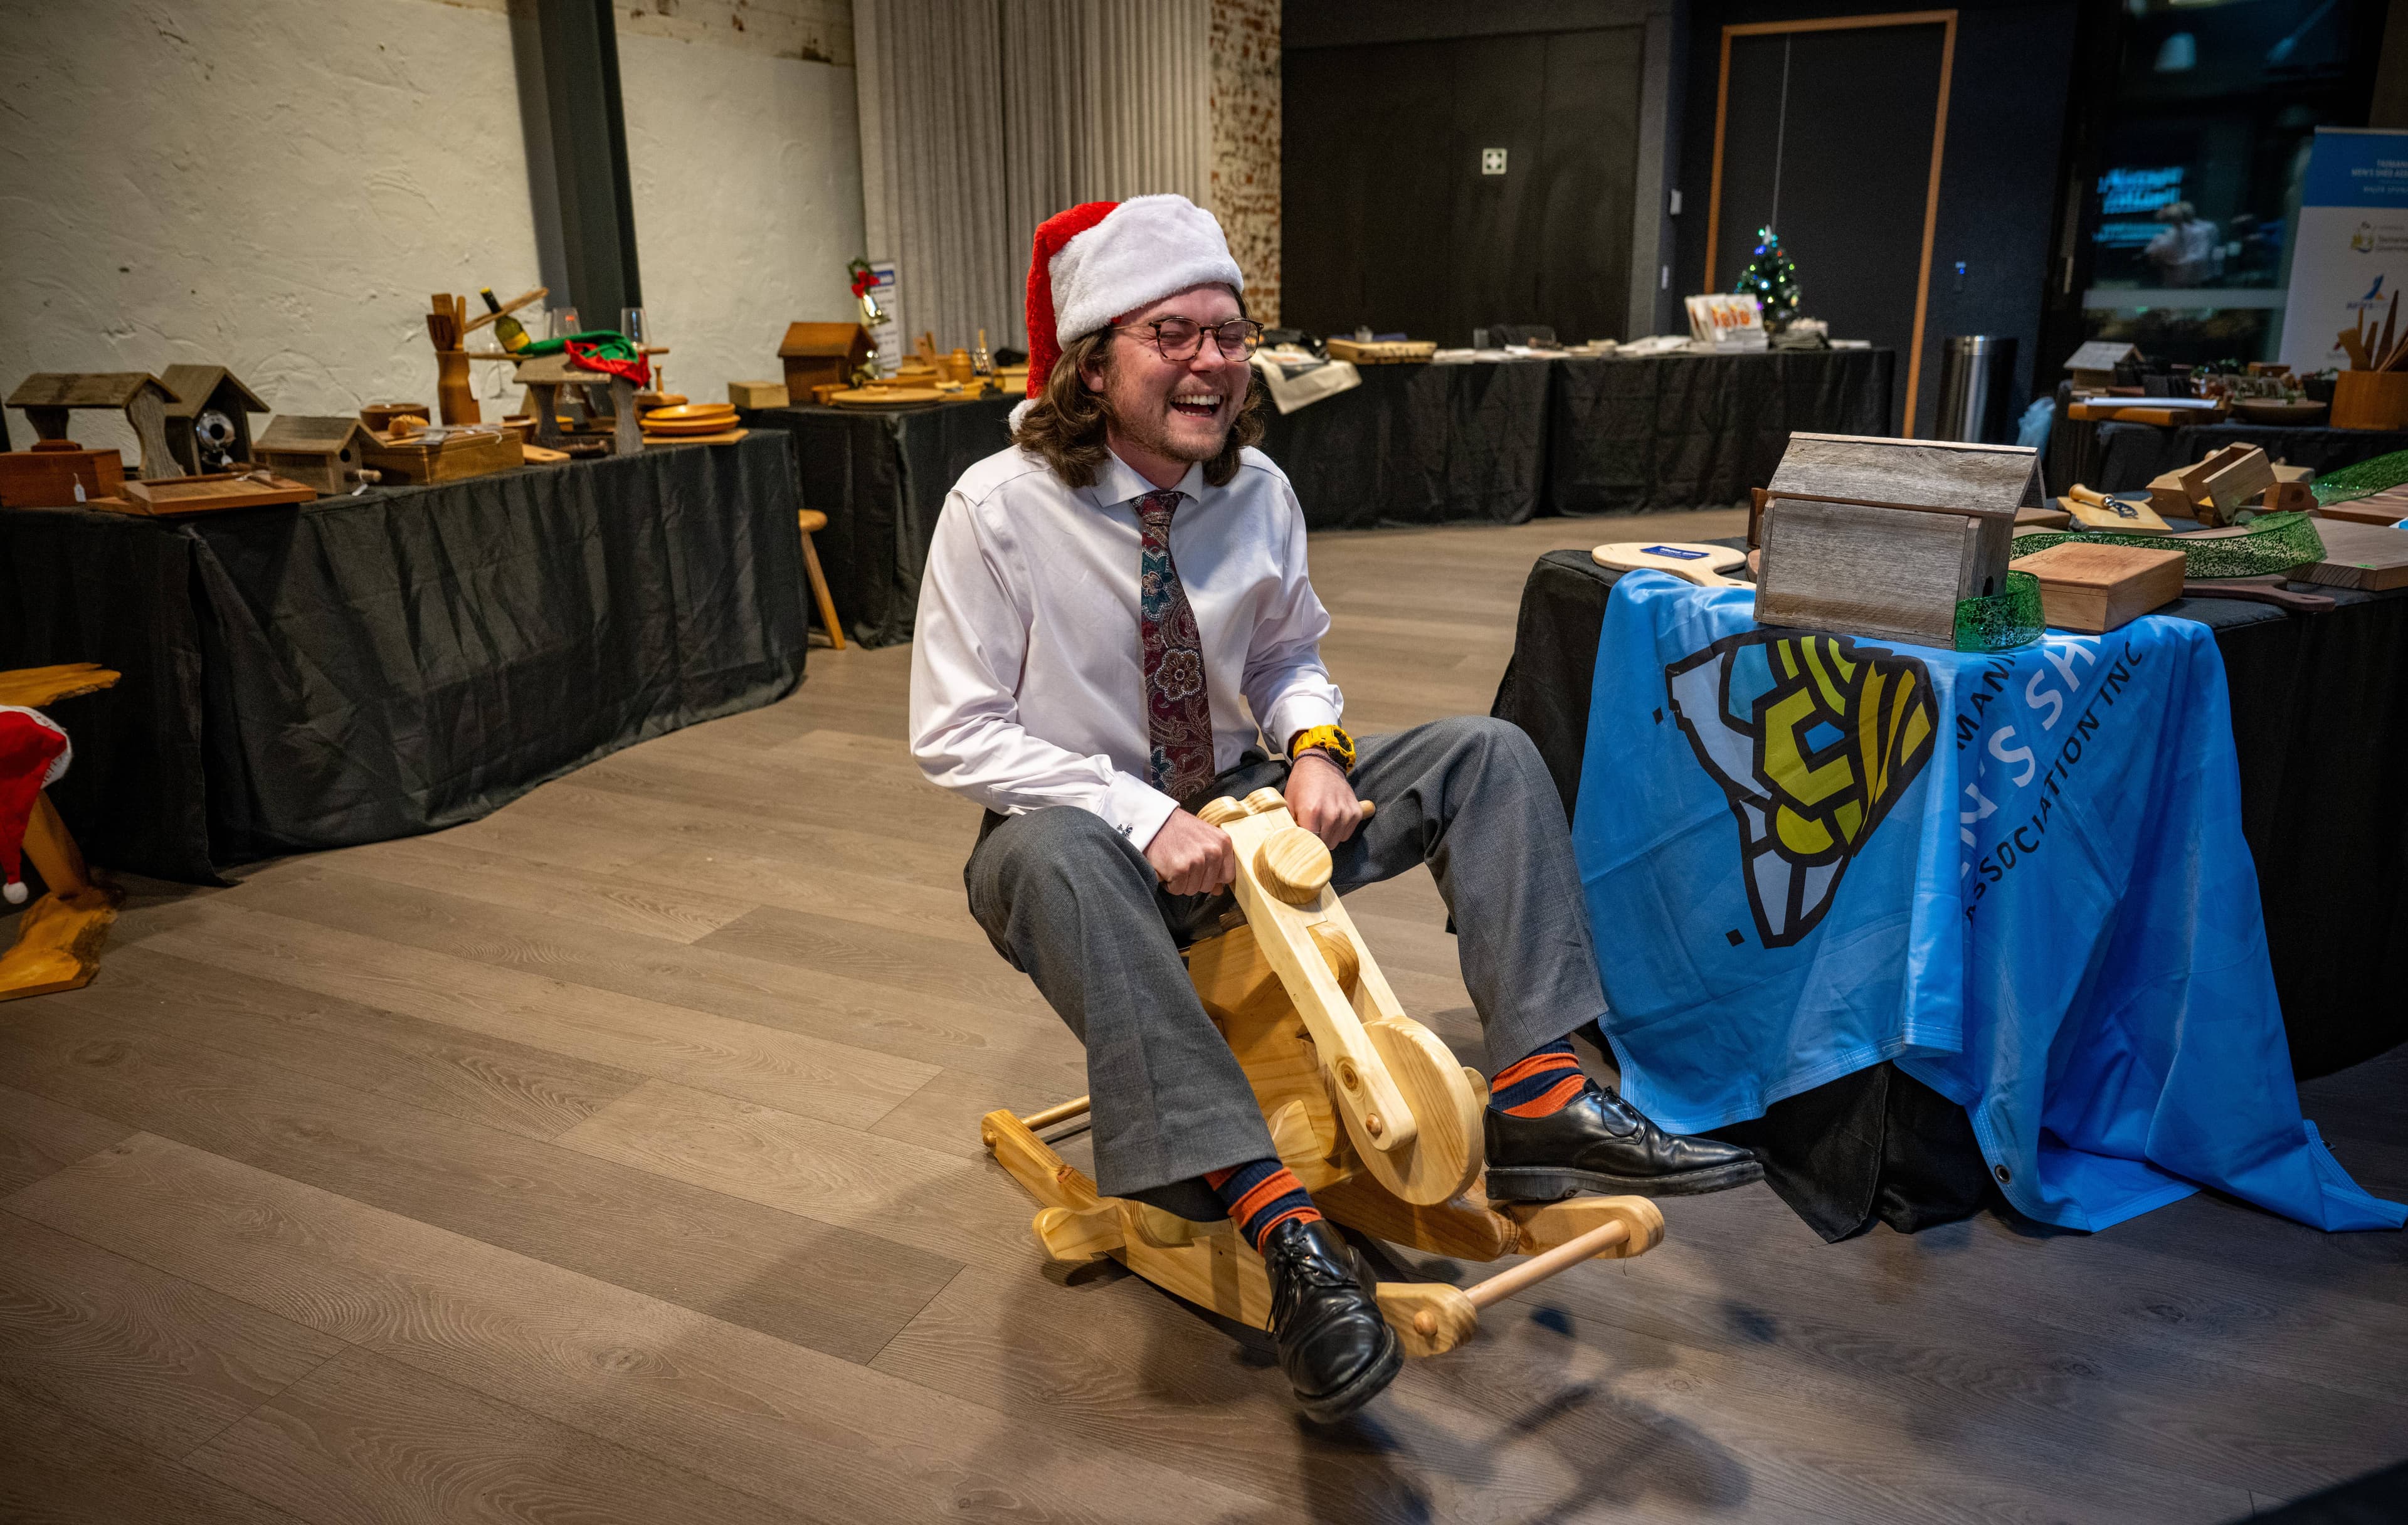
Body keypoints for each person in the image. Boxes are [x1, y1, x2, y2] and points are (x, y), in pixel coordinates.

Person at [909, 194, 1759, 1422]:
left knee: (1485, 751)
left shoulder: (1255, 493)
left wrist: (1312, 745)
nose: (1212, 360)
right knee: (1056, 859)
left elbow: (1289, 657)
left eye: (1229, 332)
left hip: (1233, 800)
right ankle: (1280, 1226)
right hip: (1072, 830)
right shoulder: (998, 507)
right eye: (1173, 334)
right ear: (1095, 365)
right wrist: (1138, 814)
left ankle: (1539, 1096)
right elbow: (960, 730)